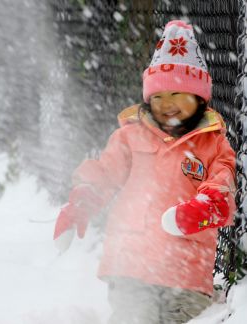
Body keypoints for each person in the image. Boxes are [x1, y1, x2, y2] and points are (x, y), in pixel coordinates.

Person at [53, 20, 236, 324]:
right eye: (159, 96)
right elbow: (104, 173)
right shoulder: (130, 136)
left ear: (200, 97)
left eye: (178, 94)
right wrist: (81, 202)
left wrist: (202, 210)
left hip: (187, 272)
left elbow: (223, 192)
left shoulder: (213, 144)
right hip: (131, 264)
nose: (168, 105)